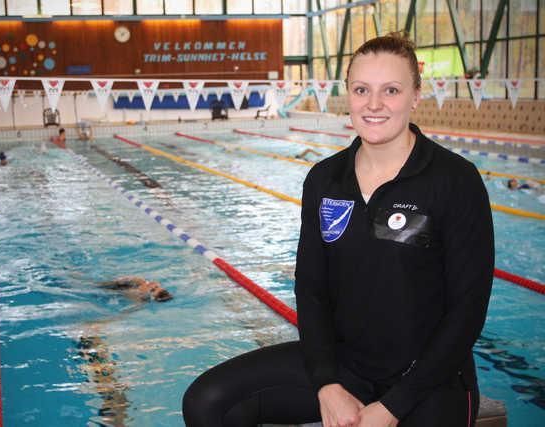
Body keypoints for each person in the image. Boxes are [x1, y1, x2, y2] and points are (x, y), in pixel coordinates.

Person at [183, 32, 494, 427]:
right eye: (362, 89)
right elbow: (311, 288)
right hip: (348, 367)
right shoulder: (325, 178)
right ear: (348, 94)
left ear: (416, 96)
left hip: (430, 380)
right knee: (207, 402)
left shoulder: (454, 180)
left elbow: (468, 310)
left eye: (391, 90)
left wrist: (393, 407)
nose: (374, 104)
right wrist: (327, 383)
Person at [99, 276, 173, 302]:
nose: (152, 285)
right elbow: (119, 279)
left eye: (152, 290)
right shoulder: (139, 281)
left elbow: (124, 315)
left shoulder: (137, 298)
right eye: (157, 286)